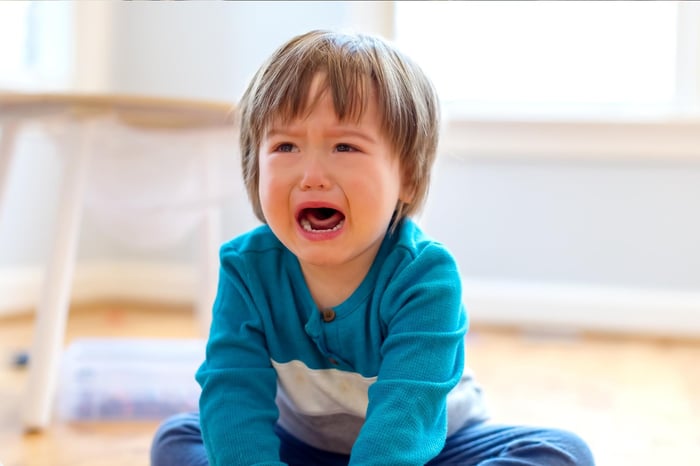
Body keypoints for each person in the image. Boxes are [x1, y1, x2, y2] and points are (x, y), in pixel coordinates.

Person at [151, 30, 595, 466]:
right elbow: (234, 392)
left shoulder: (425, 278)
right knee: (178, 437)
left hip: (433, 446)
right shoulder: (246, 270)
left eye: (345, 146)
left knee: (562, 452)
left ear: (408, 178)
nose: (311, 175)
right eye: (285, 146)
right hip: (299, 446)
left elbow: (407, 413)